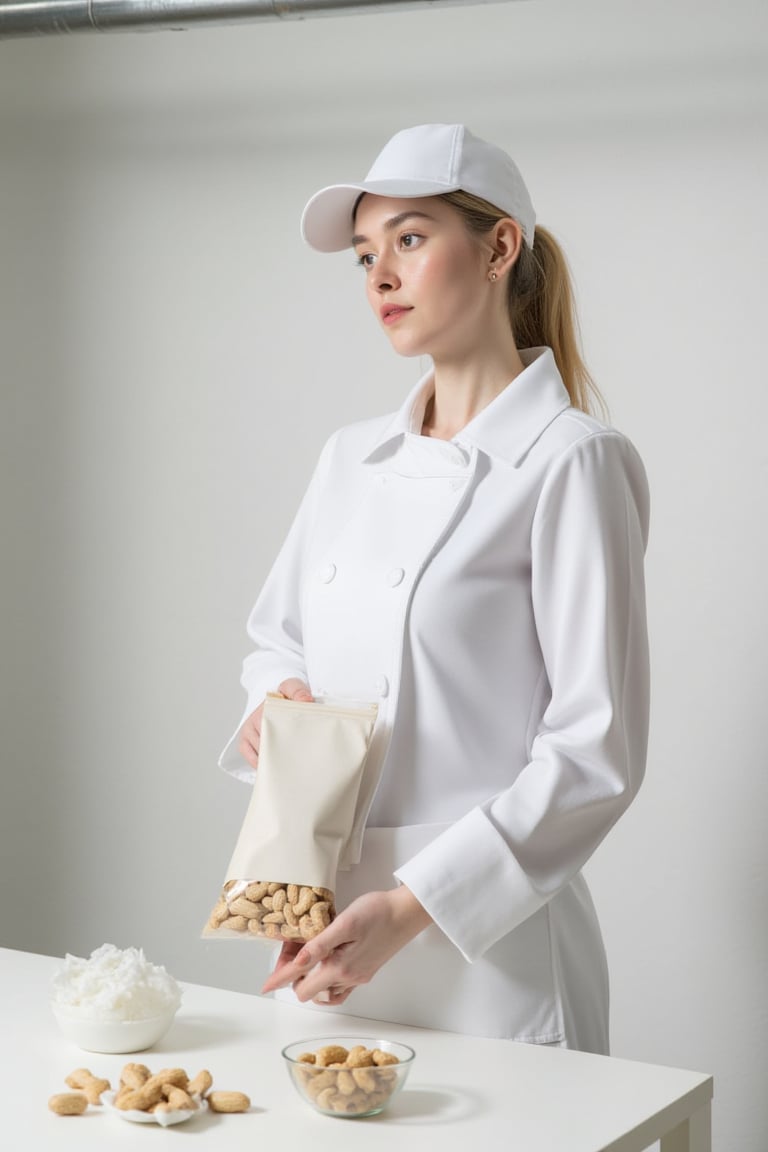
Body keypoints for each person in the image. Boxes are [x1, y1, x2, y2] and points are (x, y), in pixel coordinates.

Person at [218, 123, 650, 1054]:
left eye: (410, 240)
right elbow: (276, 640)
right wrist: (275, 702)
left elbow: (594, 752)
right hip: (327, 934)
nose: (380, 276)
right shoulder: (350, 458)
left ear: (500, 249)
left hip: (488, 951)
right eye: (367, 255)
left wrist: (412, 908)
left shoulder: (572, 463)